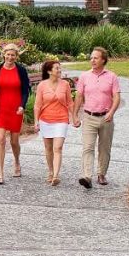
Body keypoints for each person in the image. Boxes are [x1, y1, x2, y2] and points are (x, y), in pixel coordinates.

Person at [72, 46, 122, 189]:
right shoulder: (84, 76)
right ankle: (87, 176)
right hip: (89, 116)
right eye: (91, 57)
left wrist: (111, 112)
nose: (92, 60)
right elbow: (79, 96)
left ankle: (101, 174)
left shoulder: (112, 76)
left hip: (106, 117)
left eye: (96, 58)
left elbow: (117, 97)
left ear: (103, 60)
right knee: (87, 147)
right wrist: (75, 115)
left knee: (104, 148)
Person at [0, 42, 31, 183]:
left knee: (14, 141)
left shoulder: (21, 70)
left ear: (16, 56)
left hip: (15, 109)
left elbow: (26, 91)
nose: (10, 57)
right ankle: (0, 172)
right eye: (8, 54)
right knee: (1, 139)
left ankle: (17, 161)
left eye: (13, 55)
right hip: (1, 109)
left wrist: (22, 105)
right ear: (4, 55)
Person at [35, 58, 73, 186]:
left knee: (58, 147)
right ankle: (50, 171)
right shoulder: (42, 85)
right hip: (45, 120)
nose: (59, 70)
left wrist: (74, 117)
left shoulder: (65, 85)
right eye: (57, 68)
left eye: (60, 68)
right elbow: (37, 105)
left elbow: (70, 103)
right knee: (48, 148)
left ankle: (56, 175)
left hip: (61, 120)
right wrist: (36, 121)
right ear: (49, 71)